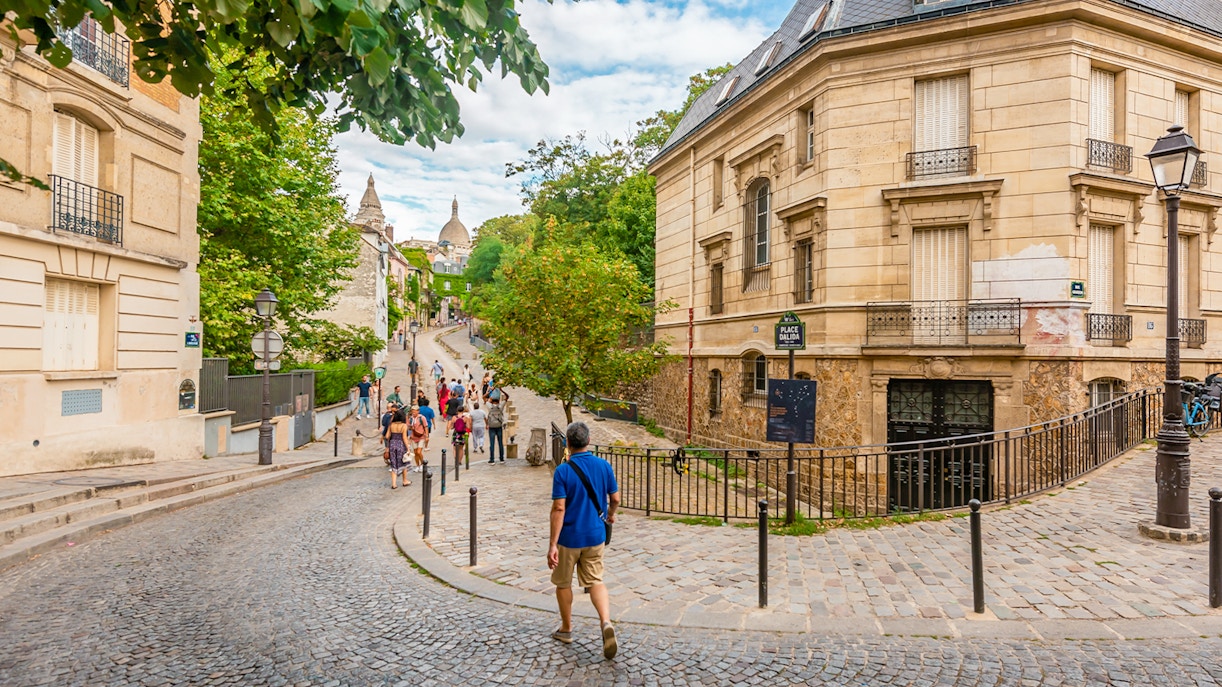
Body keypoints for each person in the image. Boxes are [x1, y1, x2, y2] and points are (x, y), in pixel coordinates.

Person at [547, 421, 619, 659]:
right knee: (596, 580)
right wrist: (610, 515)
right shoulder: (603, 465)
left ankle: (567, 629)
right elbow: (615, 498)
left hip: (569, 538)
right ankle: (606, 622)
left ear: (568, 443)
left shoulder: (563, 471)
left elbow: (559, 508)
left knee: (563, 583)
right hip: (595, 535)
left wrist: (552, 545)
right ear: (588, 441)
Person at [385, 409, 411, 489]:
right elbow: (404, 438)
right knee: (404, 463)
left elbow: (386, 436)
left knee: (393, 464)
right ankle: (405, 480)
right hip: (401, 445)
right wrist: (408, 448)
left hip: (392, 445)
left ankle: (394, 484)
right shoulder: (404, 426)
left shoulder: (391, 425)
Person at [408, 405, 429, 472]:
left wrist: (427, 436)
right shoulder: (411, 419)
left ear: (418, 411)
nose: (413, 413)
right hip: (413, 437)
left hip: (421, 436)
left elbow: (425, 426)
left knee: (419, 451)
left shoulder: (422, 418)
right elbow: (408, 428)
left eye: (415, 411)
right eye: (412, 411)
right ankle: (417, 465)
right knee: (415, 452)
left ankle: (423, 464)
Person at [486, 398, 506, 463]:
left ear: (492, 402)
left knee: (492, 444)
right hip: (499, 426)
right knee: (500, 443)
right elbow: (507, 397)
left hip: (491, 427)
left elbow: (484, 397)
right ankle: (501, 458)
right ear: (498, 402)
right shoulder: (500, 406)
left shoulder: (490, 407)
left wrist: (489, 392)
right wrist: (501, 390)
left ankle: (492, 459)